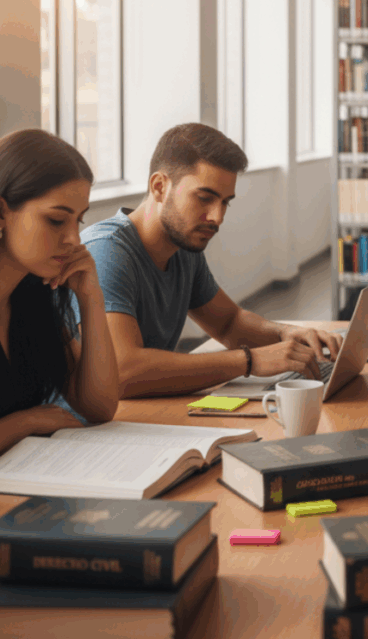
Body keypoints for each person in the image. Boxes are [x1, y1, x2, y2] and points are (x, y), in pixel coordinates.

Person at [76, 123, 342, 398]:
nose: (217, 217)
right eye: (204, 198)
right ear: (159, 187)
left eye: (225, 202)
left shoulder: (181, 248)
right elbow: (122, 371)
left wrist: (287, 335)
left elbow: (229, 322)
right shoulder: (107, 251)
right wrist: (250, 361)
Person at [0, 130, 119, 454]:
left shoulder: (34, 296)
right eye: (56, 220)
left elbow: (100, 407)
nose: (74, 240)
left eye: (78, 222)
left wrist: (91, 299)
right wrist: (26, 422)